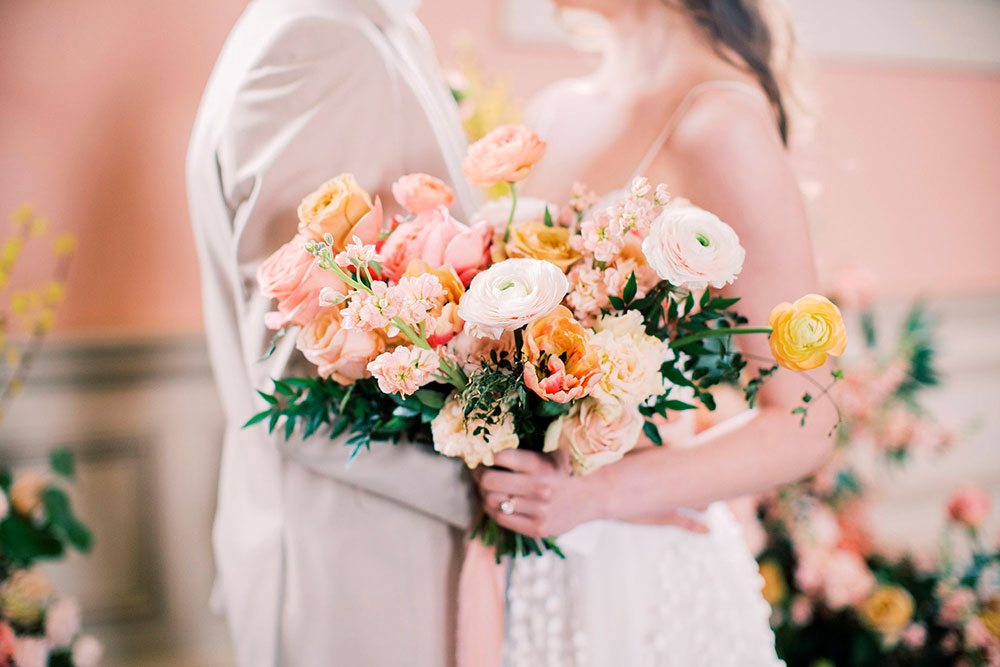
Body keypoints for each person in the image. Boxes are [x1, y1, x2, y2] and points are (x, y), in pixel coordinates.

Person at [474, 0, 835, 664]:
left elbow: (808, 418)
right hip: (522, 556)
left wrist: (599, 493)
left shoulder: (721, 122)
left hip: (636, 576)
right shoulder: (554, 110)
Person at [186, 0, 480, 664]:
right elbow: (301, 380)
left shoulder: (372, 28)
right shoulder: (315, 46)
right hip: (366, 571)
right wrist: (506, 484)